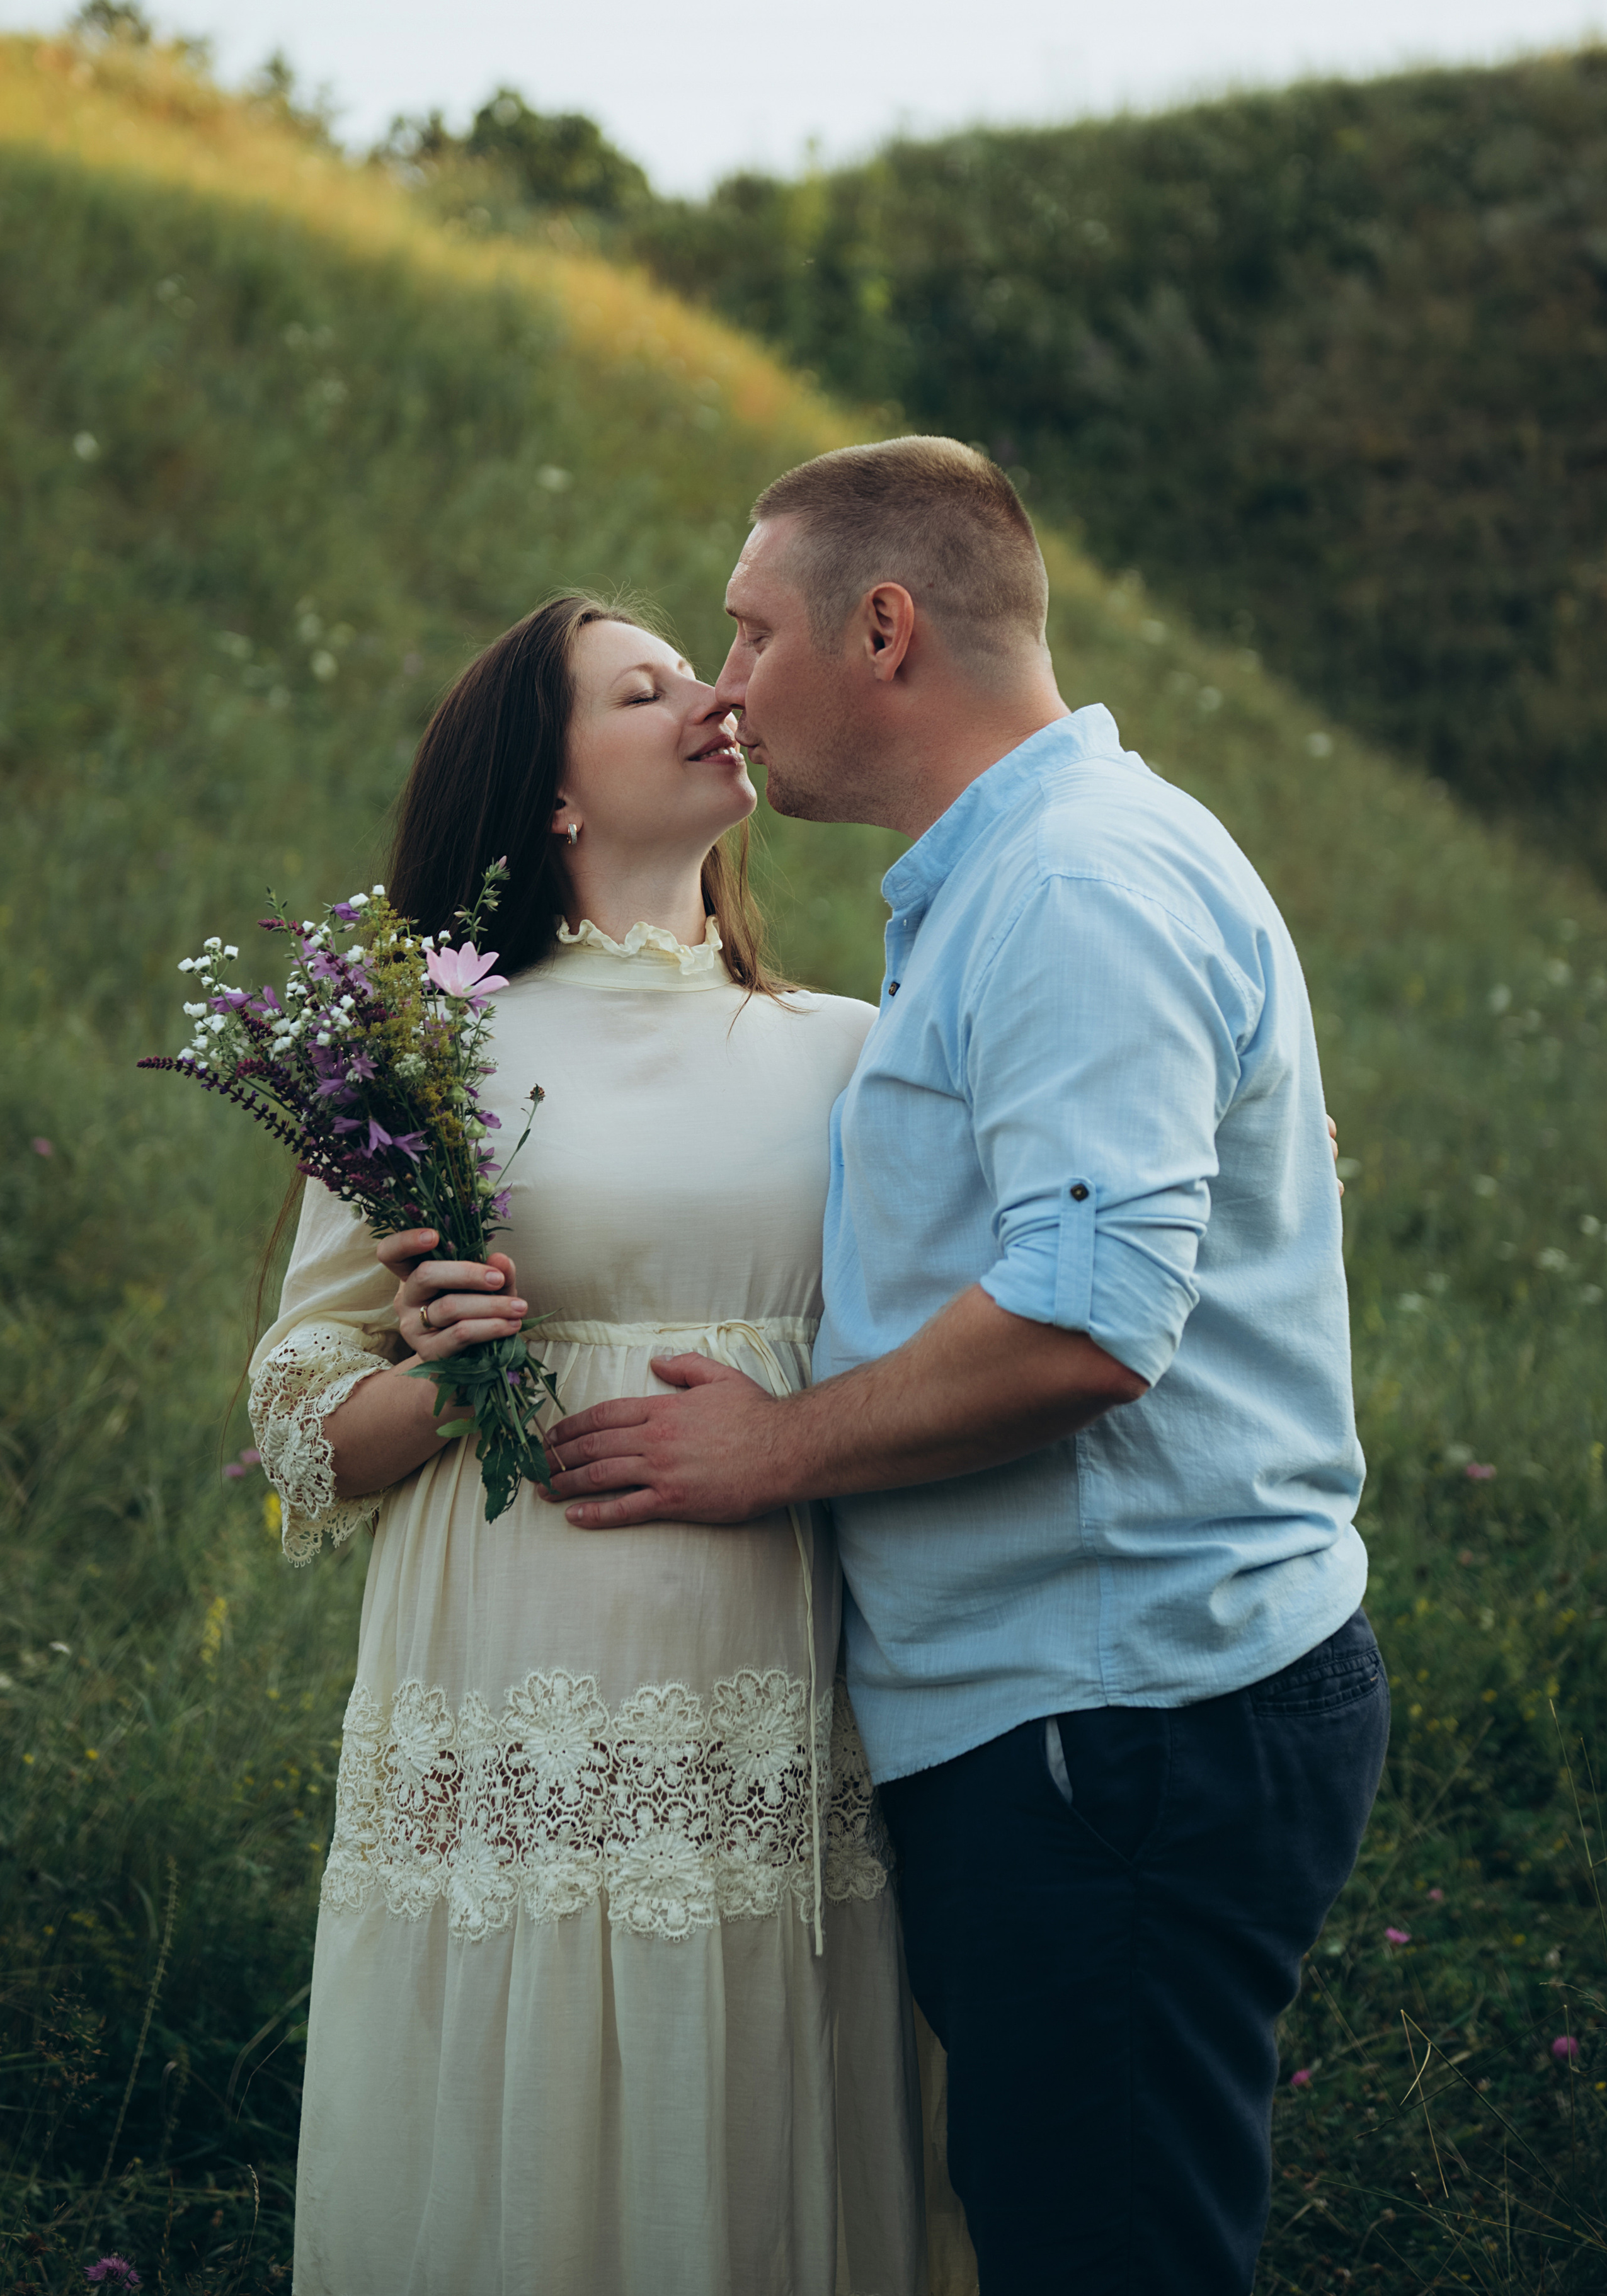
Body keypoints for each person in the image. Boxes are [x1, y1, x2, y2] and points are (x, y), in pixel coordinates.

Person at [541, 438, 1392, 2295]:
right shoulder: (1027, 874)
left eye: (752, 632)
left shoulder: (1074, 887)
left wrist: (773, 1451)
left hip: (1121, 1721)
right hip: (1099, 1717)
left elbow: (1084, 1326)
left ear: (886, 629)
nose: (728, 687)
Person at [248, 593, 966, 2296]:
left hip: (774, 1688)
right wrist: (447, 1377)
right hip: (509, 1674)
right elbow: (303, 1415)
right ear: (552, 792)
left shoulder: (858, 1048)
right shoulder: (424, 1049)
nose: (713, 697)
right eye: (646, 690)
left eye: (705, 670)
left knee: (762, 2107)